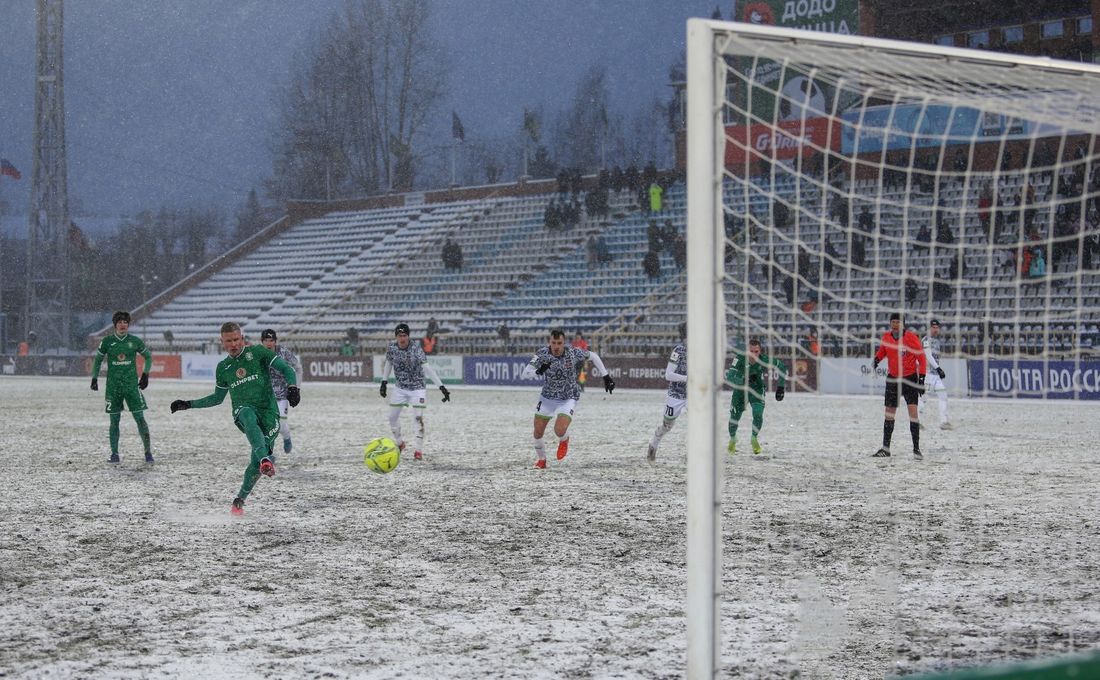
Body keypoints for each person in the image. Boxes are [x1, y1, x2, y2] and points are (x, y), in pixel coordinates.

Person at [170, 322, 300, 515]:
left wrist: (292, 387)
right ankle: (266, 458)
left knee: (255, 464)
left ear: (242, 338)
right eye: (229, 341)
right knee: (246, 413)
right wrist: (189, 404)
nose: (234, 344)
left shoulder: (258, 352)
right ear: (222, 342)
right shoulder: (223, 368)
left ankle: (239, 500)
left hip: (269, 414)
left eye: (236, 339)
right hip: (243, 413)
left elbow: (287, 369)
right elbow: (217, 398)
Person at [521, 328, 614, 468]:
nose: (556, 346)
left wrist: (606, 376)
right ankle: (542, 460)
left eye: (559, 343)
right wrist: (539, 371)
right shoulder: (542, 354)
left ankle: (564, 439)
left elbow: (593, 356)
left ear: (564, 343)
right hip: (548, 397)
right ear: (549, 342)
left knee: (559, 430)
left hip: (568, 396)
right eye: (554, 343)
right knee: (538, 431)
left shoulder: (573, 353)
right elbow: (525, 374)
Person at [379, 323, 451, 461]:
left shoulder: (416, 348)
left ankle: (418, 450)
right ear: (396, 337)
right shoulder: (392, 348)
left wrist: (442, 387)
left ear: (408, 336)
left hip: (417, 387)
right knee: (392, 417)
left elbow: (427, 368)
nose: (402, 338)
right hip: (400, 388)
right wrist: (384, 382)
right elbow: (389, 363)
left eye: (405, 335)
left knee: (418, 418)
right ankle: (400, 443)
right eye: (399, 335)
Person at [91, 310, 153, 464]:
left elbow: (148, 357)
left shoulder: (135, 341)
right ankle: (114, 454)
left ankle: (148, 452)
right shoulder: (107, 342)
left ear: (128, 324)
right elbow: (98, 360)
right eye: (120, 322)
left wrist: (145, 374)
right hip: (113, 388)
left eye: (125, 322)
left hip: (131, 387)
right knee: (114, 421)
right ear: (115, 325)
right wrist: (94, 378)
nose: (123, 325)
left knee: (140, 419)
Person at [871, 312, 927, 459]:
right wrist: (877, 359)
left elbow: (921, 358)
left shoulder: (911, 338)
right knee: (889, 413)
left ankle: (916, 449)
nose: (895, 324)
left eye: (898, 321)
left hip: (909, 379)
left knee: (913, 413)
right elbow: (883, 351)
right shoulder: (886, 337)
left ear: (903, 324)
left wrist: (921, 379)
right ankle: (885, 449)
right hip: (893, 379)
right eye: (893, 321)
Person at [725, 338, 786, 455]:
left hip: (757, 390)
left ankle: (754, 438)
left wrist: (781, 387)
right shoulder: (739, 358)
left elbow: (782, 366)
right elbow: (729, 377)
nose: (753, 354)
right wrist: (744, 379)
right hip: (740, 392)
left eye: (756, 351)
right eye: (751, 351)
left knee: (758, 414)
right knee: (734, 418)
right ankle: (733, 439)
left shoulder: (764, 360)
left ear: (760, 351)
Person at [260, 329, 303, 455]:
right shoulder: (258, 354)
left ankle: (287, 437)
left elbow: (298, 368)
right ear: (262, 341)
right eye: (266, 340)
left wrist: (296, 387)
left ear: (275, 341)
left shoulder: (283, 353)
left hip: (282, 395)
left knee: (280, 424)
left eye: (271, 340)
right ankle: (268, 455)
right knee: (266, 426)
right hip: (265, 396)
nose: (269, 343)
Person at [648, 323, 687, 462]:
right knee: (667, 426)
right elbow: (668, 375)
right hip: (676, 394)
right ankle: (654, 443)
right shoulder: (679, 351)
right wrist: (687, 378)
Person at [920, 319, 952, 430]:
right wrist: (938, 369)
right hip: (927, 374)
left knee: (943, 396)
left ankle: (944, 422)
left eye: (937, 327)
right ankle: (916, 422)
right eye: (933, 327)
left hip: (936, 376)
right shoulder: (925, 340)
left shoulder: (937, 341)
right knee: (924, 398)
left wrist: (938, 370)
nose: (935, 329)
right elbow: (928, 356)